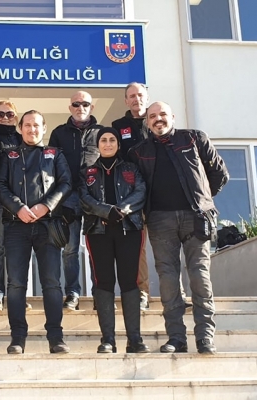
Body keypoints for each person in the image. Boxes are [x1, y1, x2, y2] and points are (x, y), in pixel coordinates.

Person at [128, 101, 229, 355]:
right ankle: (176, 337)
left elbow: (220, 174)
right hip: (159, 221)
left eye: (162, 114)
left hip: (196, 218)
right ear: (147, 122)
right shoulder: (139, 152)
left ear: (172, 117)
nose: (158, 119)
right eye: (152, 116)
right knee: (168, 280)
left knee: (199, 275)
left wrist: (203, 200)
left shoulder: (194, 139)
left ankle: (205, 337)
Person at [0, 110, 72, 354]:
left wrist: (45, 205)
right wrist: (18, 208)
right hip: (16, 226)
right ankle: (17, 338)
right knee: (16, 284)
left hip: (48, 225)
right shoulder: (9, 155)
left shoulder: (55, 154)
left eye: (36, 125)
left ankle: (56, 338)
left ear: (44, 128)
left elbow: (66, 183)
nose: (32, 129)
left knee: (52, 283)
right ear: (20, 128)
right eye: (27, 125)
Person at [79, 127, 149, 354]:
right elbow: (84, 198)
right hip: (98, 232)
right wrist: (106, 211)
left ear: (118, 144)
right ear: (98, 145)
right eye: (103, 140)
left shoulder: (131, 168)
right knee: (104, 282)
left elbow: (140, 192)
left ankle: (135, 339)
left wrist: (121, 210)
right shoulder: (86, 172)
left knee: (129, 281)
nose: (108, 144)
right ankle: (108, 339)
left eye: (112, 140)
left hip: (129, 230)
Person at [48, 91, 102, 311]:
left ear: (91, 107)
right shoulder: (58, 133)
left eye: (85, 104)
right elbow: (51, 167)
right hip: (68, 199)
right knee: (70, 249)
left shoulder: (103, 132)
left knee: (96, 248)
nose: (81, 108)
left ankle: (100, 293)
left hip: (95, 199)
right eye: (76, 104)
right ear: (70, 108)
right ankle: (72, 293)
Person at [111, 82, 151, 310]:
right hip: (133, 197)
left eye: (140, 95)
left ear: (147, 97)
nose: (137, 99)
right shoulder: (118, 127)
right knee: (138, 248)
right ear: (126, 101)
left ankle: (176, 293)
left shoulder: (157, 120)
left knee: (168, 247)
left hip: (160, 194)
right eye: (132, 96)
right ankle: (142, 293)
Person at [0, 100, 22, 312]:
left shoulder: (22, 139)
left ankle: (17, 296)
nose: (5, 118)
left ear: (15, 118)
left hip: (20, 203)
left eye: (9, 114)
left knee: (17, 250)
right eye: (1, 114)